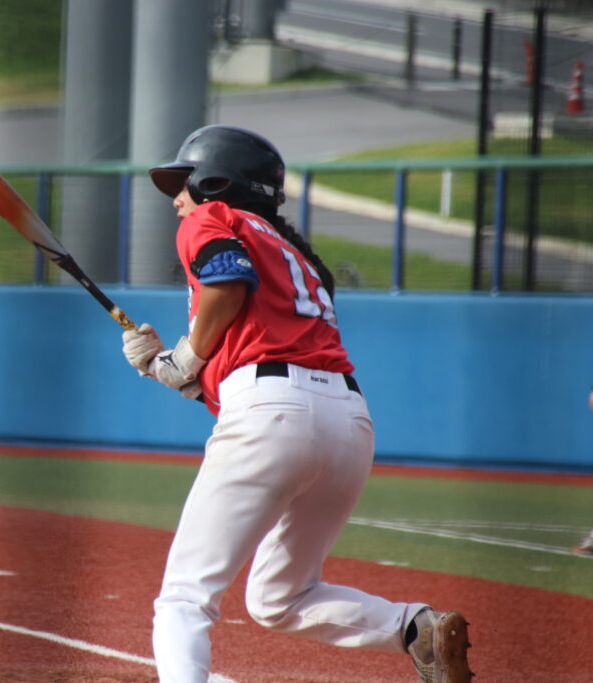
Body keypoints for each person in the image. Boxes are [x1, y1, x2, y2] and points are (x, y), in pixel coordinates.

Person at [121, 125, 473, 683]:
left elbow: (226, 284)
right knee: (279, 597)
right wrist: (171, 367)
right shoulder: (295, 253)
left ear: (216, 182)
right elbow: (252, 353)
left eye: (184, 184)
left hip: (273, 411)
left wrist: (185, 356)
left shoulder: (212, 217)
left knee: (185, 598)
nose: (176, 200)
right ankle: (414, 628)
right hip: (347, 422)